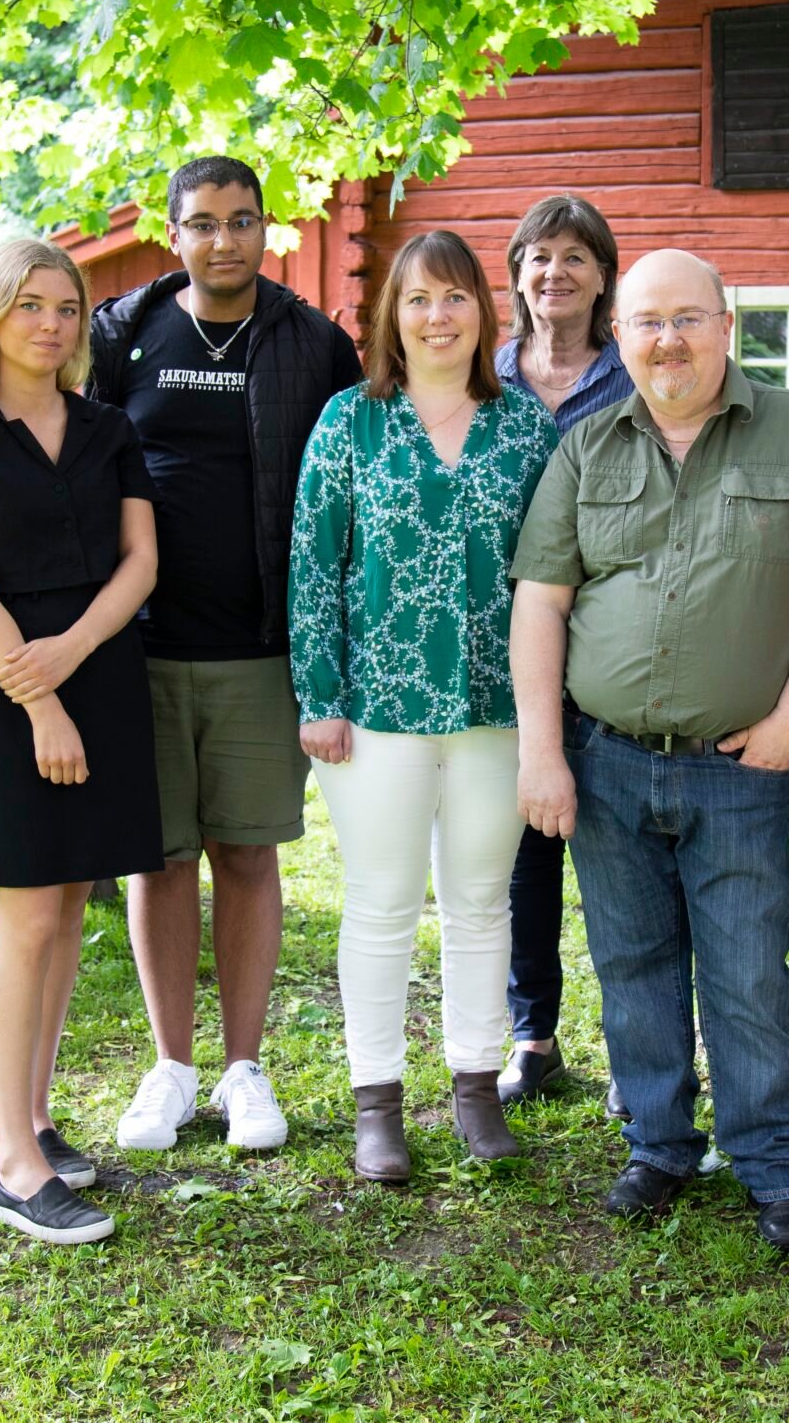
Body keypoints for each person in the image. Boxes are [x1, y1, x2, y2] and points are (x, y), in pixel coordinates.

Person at [511, 249, 789, 1252]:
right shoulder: (586, 448)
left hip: (738, 766)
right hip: (606, 760)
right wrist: (542, 752)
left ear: (726, 326)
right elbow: (540, 603)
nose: (666, 340)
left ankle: (772, 1166)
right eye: (646, 323)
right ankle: (660, 1146)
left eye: (686, 319)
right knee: (630, 963)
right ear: (621, 337)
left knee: (746, 972)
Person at [86, 156, 362, 1154]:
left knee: (244, 853)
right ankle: (171, 1068)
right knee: (159, 860)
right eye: (202, 223)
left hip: (258, 647)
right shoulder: (121, 336)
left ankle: (244, 1068)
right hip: (141, 648)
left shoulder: (311, 342)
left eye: (241, 221)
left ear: (265, 230)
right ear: (173, 233)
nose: (223, 240)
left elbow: (350, 478)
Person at [0, 238, 164, 1246]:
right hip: (4, 688)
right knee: (24, 919)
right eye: (30, 306)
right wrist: (41, 698)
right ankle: (13, 1167)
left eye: (67, 307)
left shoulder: (106, 428)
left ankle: (39, 1119)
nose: (52, 324)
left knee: (64, 910)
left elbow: (141, 561)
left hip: (97, 672)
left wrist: (78, 653)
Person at [290, 231, 561, 1180]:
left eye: (455, 298)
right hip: (376, 709)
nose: (437, 317)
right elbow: (313, 564)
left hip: (497, 708)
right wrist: (319, 695)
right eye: (417, 300)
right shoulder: (348, 422)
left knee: (483, 903)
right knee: (380, 903)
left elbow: (555, 572)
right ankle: (378, 1104)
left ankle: (477, 1089)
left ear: (485, 312)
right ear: (390, 318)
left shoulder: (527, 428)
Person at [489, 195, 638, 1110]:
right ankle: (533, 1034)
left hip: (611, 638)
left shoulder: (636, 377)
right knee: (520, 853)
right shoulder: (484, 375)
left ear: (603, 275)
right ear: (515, 274)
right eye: (539, 257)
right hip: (502, 637)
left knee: (619, 855)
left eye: (576, 257)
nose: (556, 273)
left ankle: (640, 1046)